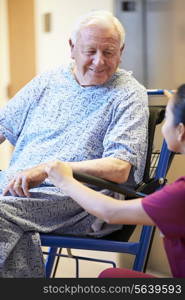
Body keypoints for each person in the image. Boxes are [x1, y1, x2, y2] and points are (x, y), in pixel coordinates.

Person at [0, 10, 148, 277]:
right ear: (72, 48)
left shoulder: (128, 94)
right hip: (18, 185)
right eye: (90, 51)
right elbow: (3, 125)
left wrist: (49, 169)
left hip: (76, 197)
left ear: (121, 51)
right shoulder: (49, 81)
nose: (99, 61)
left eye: (109, 52)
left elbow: (120, 167)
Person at [44, 86, 185, 278]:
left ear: (181, 132)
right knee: (112, 276)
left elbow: (111, 212)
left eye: (167, 117)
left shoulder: (179, 195)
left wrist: (65, 180)